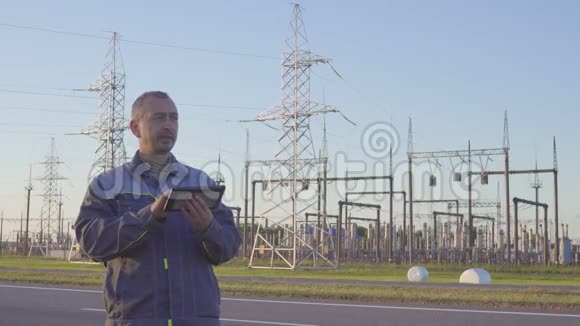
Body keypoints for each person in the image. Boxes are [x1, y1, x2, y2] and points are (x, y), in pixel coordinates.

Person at [74, 91, 241, 326]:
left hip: (196, 320)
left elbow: (228, 247)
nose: (168, 125)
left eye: (174, 118)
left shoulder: (202, 182)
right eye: (158, 117)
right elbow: (90, 243)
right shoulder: (108, 184)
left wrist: (208, 227)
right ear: (135, 128)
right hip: (134, 319)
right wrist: (148, 216)